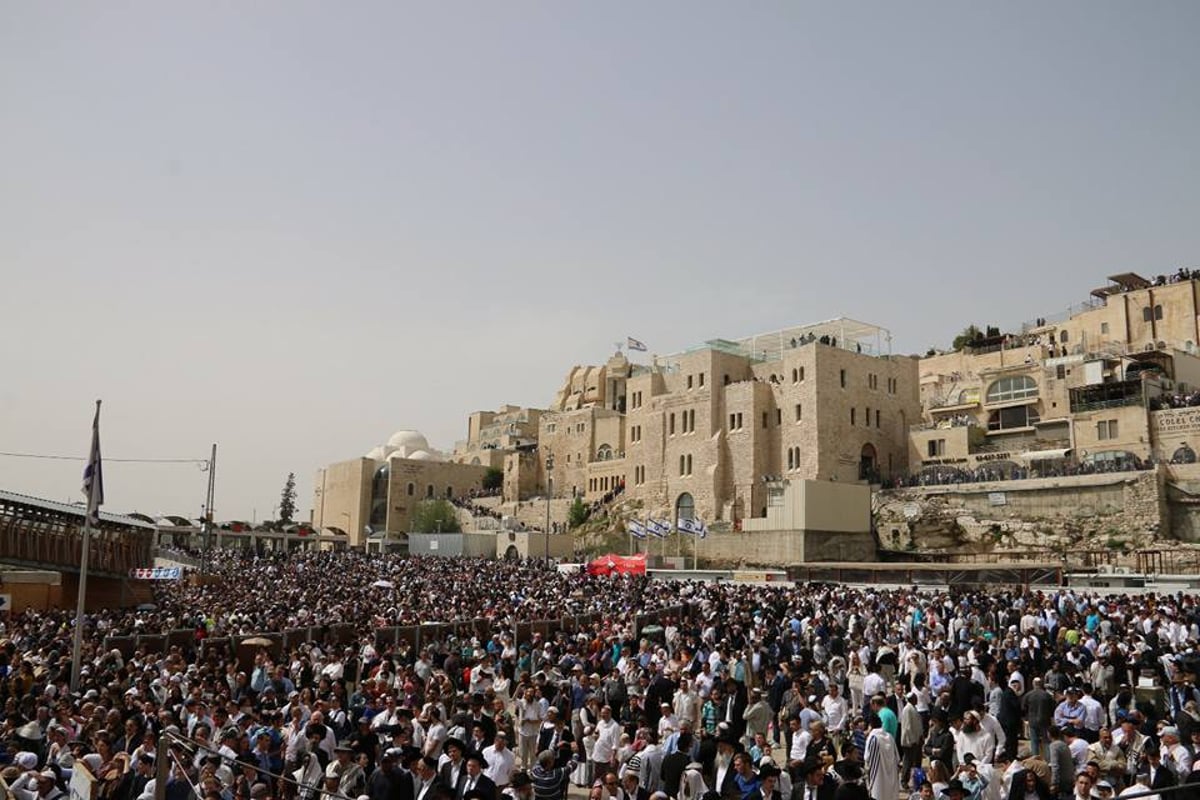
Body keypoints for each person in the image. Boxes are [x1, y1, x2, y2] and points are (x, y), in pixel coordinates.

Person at [863, 713, 899, 800]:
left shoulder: (873, 738)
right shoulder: (890, 737)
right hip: (892, 778)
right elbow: (897, 758)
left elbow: (867, 759)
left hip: (877, 780)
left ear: (870, 725)